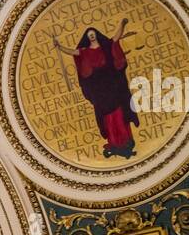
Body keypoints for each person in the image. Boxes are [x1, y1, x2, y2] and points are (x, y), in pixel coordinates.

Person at [53, 19, 138, 159]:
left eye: (93, 33)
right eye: (89, 34)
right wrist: (59, 46)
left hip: (111, 83)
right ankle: (114, 143)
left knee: (118, 111)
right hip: (99, 88)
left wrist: (122, 24)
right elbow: (72, 52)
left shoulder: (106, 46)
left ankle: (125, 142)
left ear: (96, 35)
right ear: (87, 37)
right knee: (106, 116)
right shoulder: (84, 51)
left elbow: (116, 37)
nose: (92, 36)